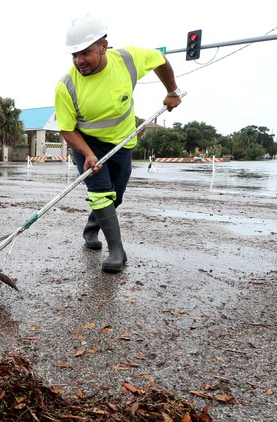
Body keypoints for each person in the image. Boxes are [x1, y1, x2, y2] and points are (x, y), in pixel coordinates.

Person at [55, 14, 182, 273]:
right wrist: (87, 153)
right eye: (74, 55)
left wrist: (171, 91)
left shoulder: (127, 59)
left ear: (103, 46)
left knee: (116, 195)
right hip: (86, 143)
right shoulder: (66, 86)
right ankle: (117, 252)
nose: (79, 61)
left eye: (85, 52)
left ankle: (92, 227)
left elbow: (160, 60)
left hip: (123, 142)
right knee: (100, 192)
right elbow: (67, 130)